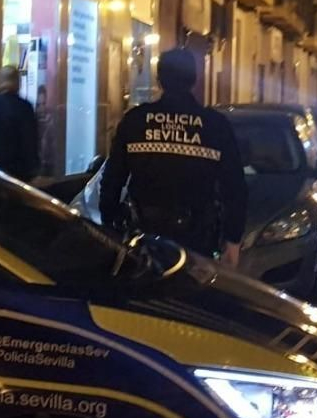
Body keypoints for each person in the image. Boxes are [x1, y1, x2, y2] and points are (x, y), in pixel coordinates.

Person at [98, 48, 247, 265]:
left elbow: (112, 179)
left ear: (159, 80)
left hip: (144, 241)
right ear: (194, 80)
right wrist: (233, 239)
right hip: (197, 241)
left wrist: (109, 223)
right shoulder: (215, 126)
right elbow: (234, 188)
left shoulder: (135, 121)